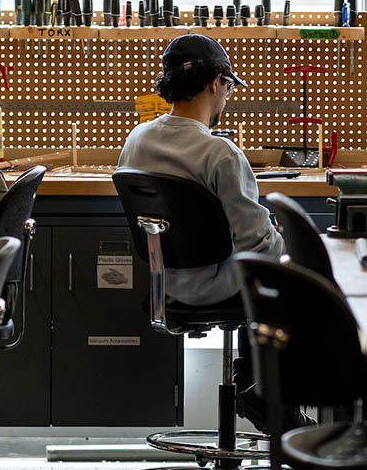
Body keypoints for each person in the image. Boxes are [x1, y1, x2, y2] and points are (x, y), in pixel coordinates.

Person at [117, 33, 297, 431]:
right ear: (216, 82)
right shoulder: (221, 154)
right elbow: (259, 244)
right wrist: (287, 240)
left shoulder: (136, 140)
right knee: (291, 270)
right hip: (214, 287)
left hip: (164, 286)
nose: (227, 96)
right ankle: (263, 392)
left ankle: (254, 382)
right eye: (229, 86)